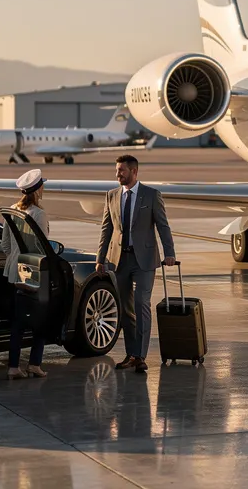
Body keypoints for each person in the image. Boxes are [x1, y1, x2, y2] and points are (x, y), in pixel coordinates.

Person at [96, 154, 176, 373]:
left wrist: (169, 253)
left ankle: (141, 355)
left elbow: (163, 226)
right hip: (118, 261)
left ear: (134, 171)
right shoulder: (111, 196)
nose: (118, 174)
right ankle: (131, 354)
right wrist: (100, 258)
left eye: (122, 170)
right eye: (117, 170)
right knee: (124, 309)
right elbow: (107, 229)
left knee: (142, 303)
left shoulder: (151, 195)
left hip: (144, 260)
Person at [2, 168, 49, 379]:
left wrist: (15, 260)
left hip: (13, 272)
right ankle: (34, 365)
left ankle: (13, 366)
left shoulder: (12, 210)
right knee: (40, 320)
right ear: (38, 190)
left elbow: (5, 245)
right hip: (33, 272)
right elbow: (43, 247)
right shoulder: (38, 214)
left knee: (18, 322)